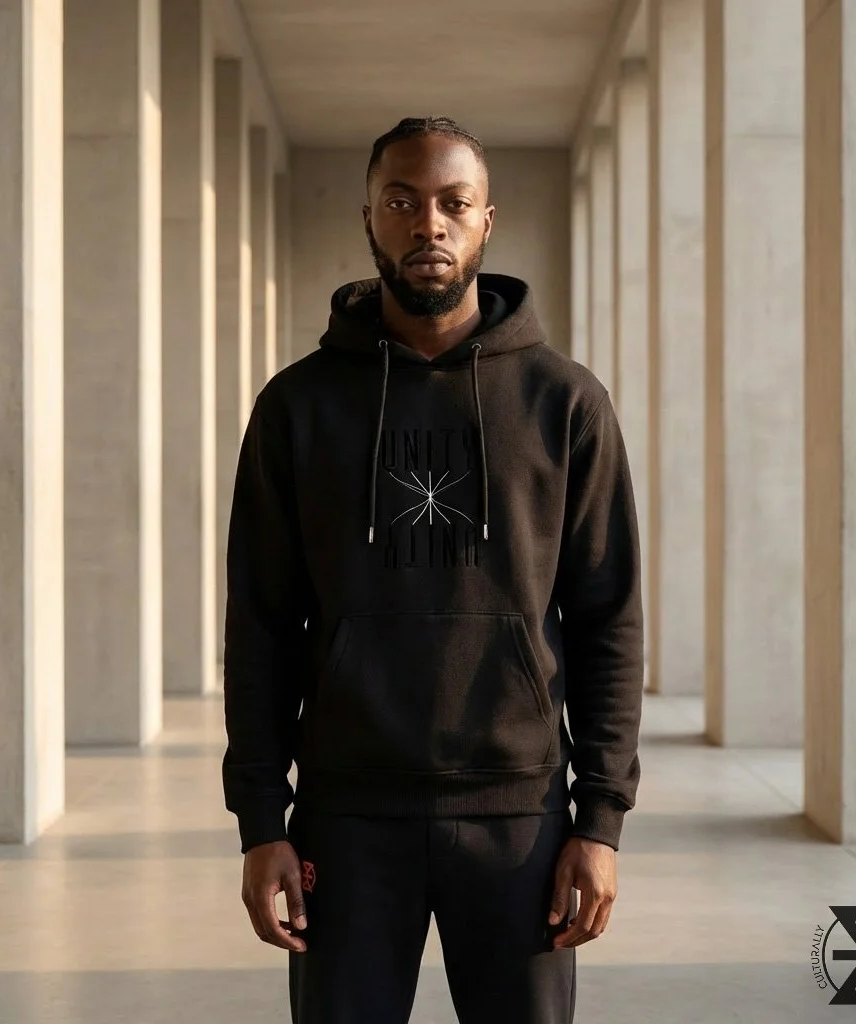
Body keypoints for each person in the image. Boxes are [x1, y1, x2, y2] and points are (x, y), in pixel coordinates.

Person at [222, 115, 644, 1024]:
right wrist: (261, 821)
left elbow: (609, 615)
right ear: (368, 218)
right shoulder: (298, 407)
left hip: (521, 819)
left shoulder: (564, 403)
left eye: (453, 203)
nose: (428, 225)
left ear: (488, 220)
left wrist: (600, 821)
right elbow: (258, 622)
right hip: (345, 816)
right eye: (403, 202)